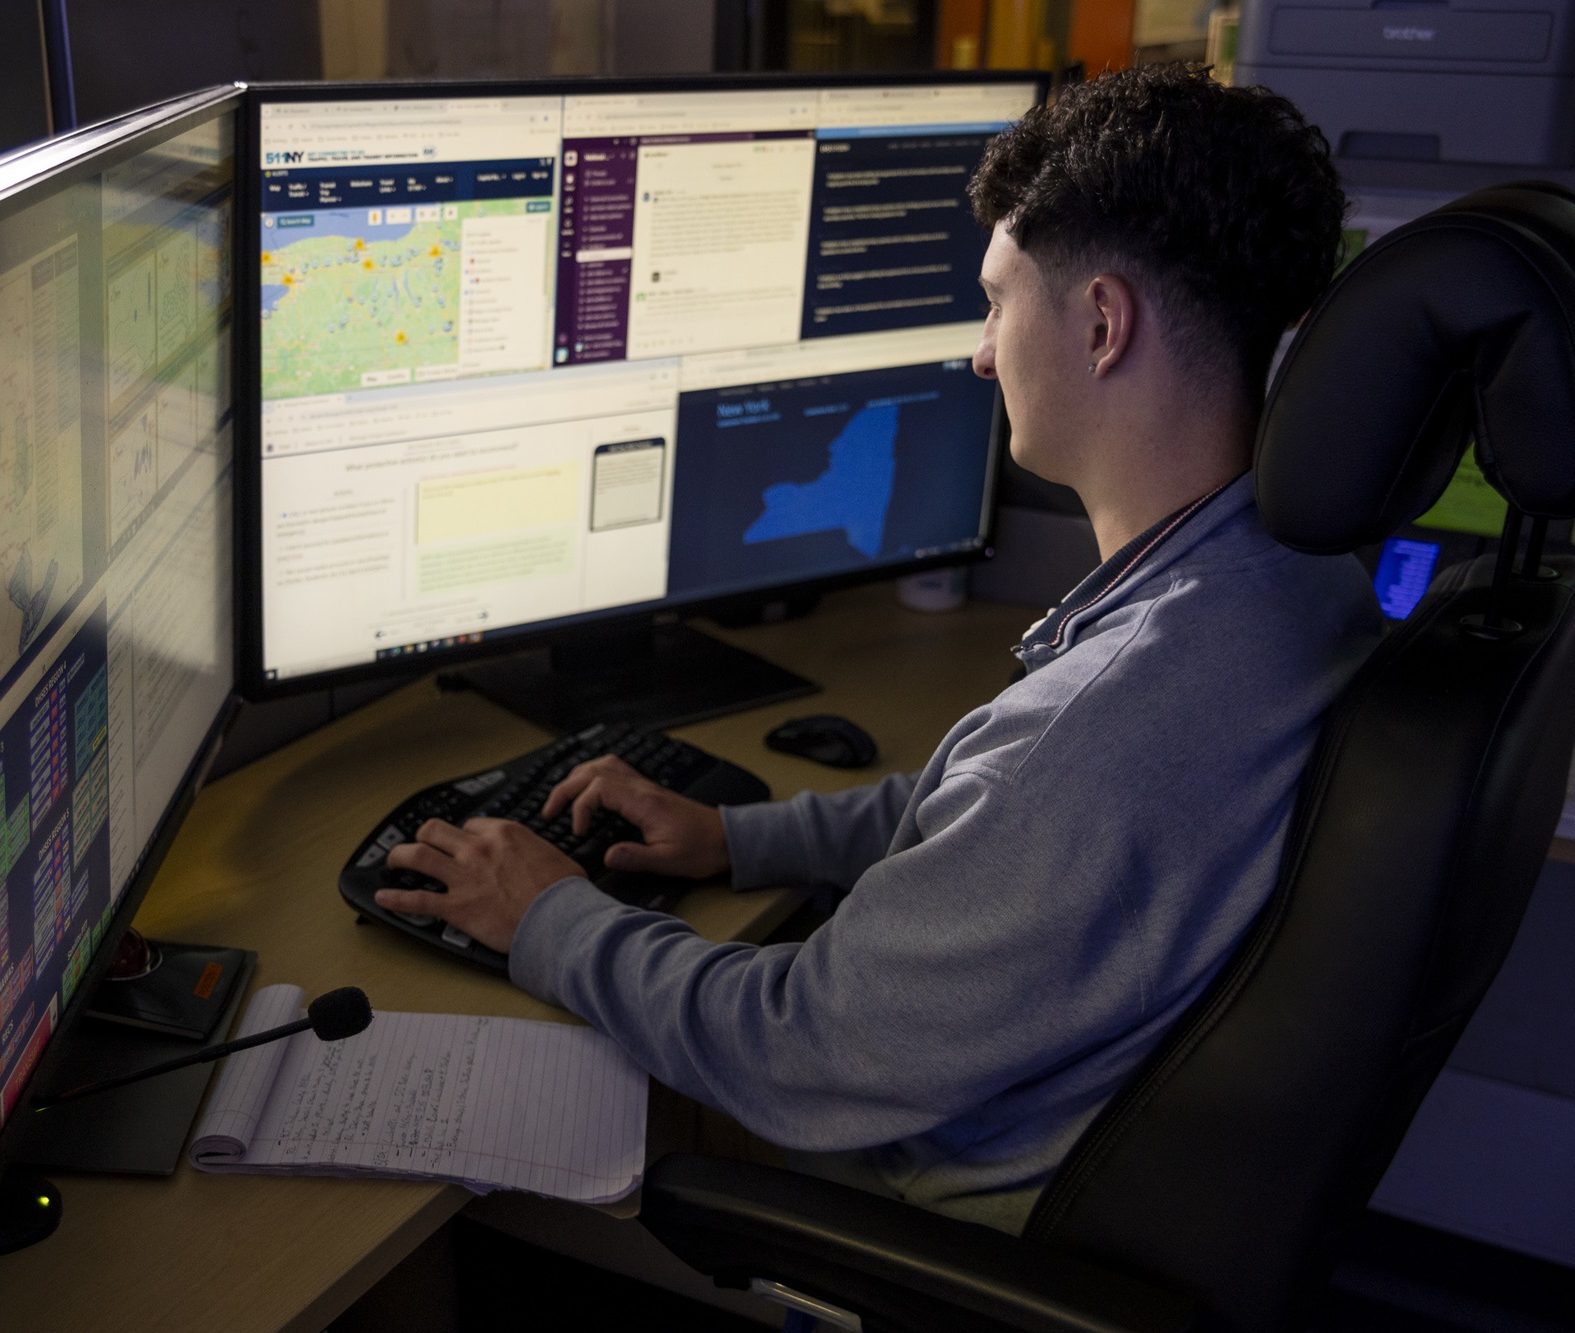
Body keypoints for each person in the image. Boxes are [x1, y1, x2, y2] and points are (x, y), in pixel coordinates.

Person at [375, 64, 1384, 1234]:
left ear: (1102, 325)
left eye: (996, 303)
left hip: (933, 1214)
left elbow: (790, 1046)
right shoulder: (1289, 578)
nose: (976, 352)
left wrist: (545, 910)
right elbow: (1001, 825)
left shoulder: (1104, 725)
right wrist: (737, 837)